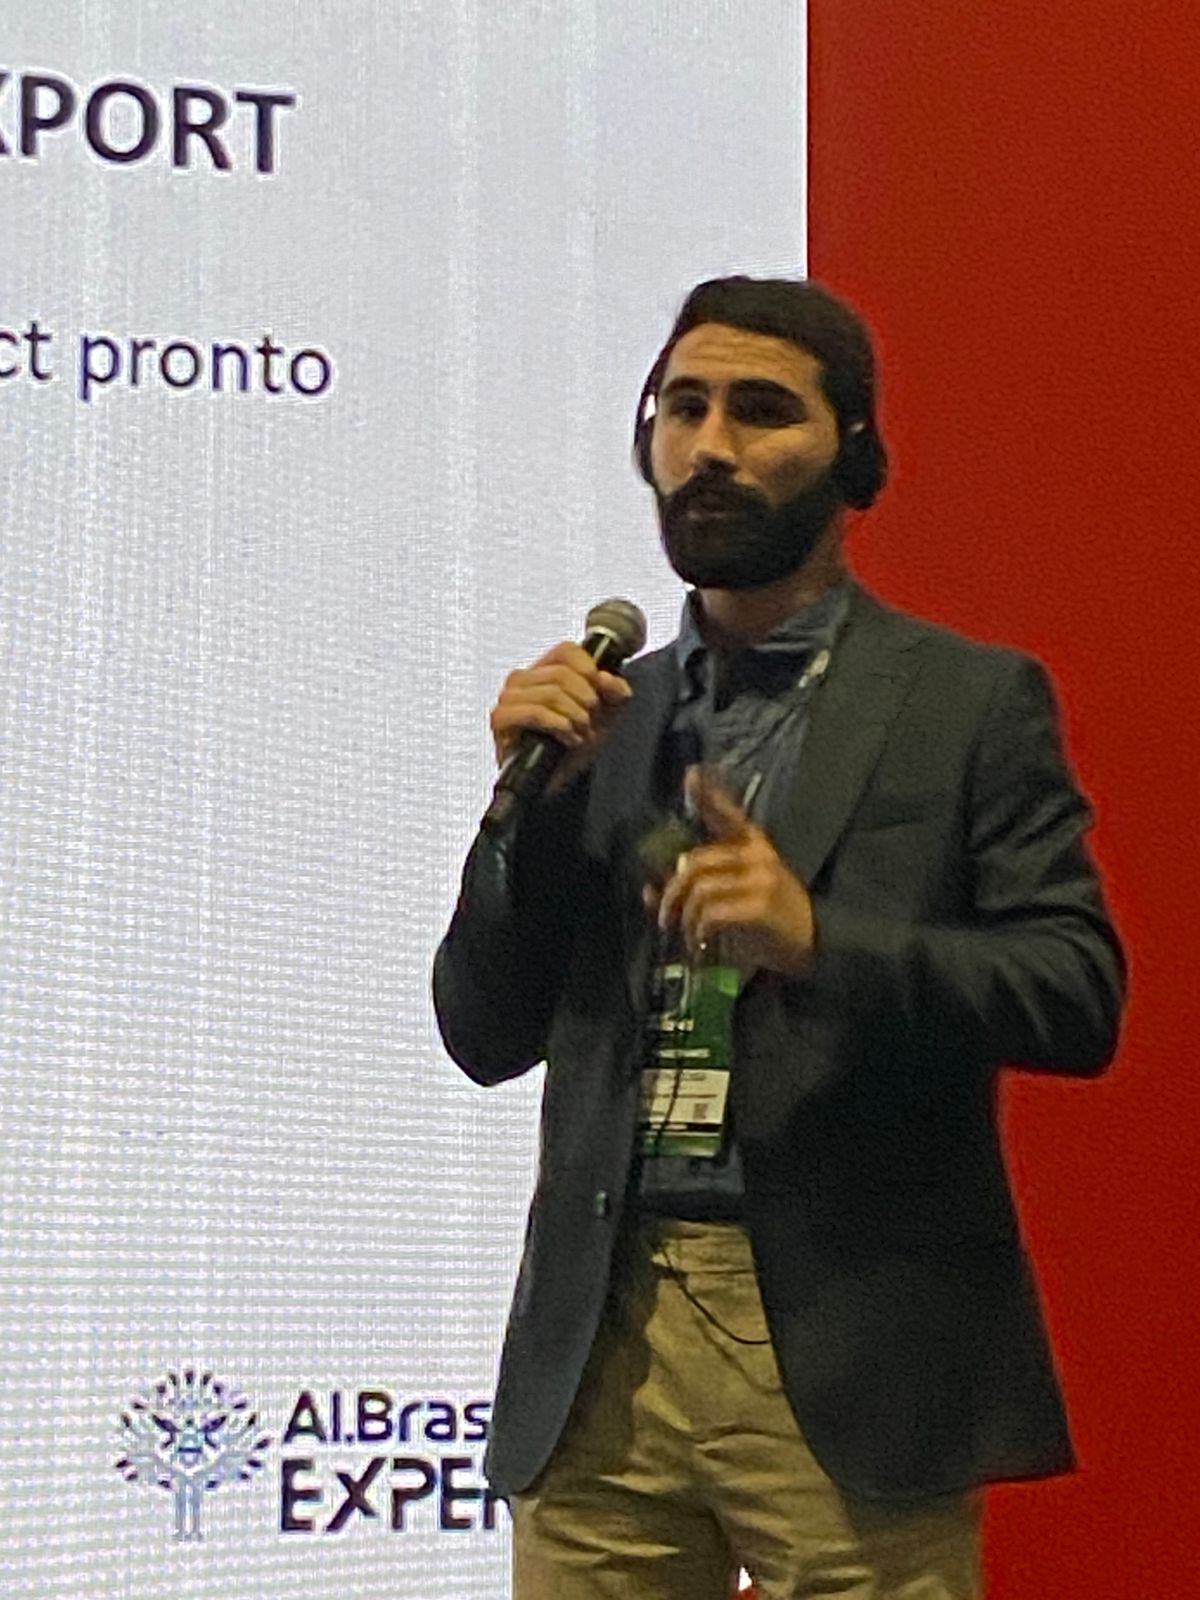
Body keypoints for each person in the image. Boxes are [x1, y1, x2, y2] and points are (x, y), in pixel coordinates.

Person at [432, 276, 1126, 1600]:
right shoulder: (603, 716)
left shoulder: (965, 702)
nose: (711, 447)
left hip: (845, 1339)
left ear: (853, 454)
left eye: (760, 412)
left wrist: (818, 939)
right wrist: (527, 818)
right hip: (602, 1337)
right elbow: (481, 1031)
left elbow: (1075, 991)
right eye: (682, 409)